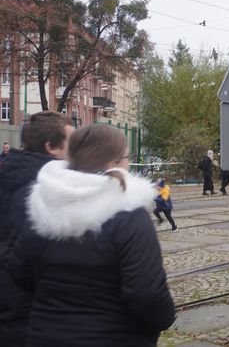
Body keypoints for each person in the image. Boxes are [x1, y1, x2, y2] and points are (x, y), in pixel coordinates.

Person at [8, 124, 175, 345]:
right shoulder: (129, 215)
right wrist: (164, 319)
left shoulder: (43, 207)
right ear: (113, 163)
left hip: (46, 335)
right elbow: (147, 294)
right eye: (126, 157)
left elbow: (18, 269)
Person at [0, 111, 74, 345]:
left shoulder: (11, 177)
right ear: (51, 147)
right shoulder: (40, 193)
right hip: (27, 319)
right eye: (72, 143)